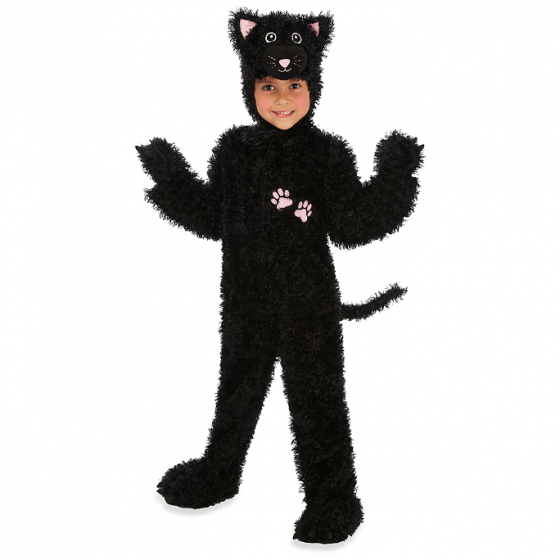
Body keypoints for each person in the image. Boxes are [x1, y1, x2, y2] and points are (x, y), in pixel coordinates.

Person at [136, 9, 423, 544]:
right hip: (245, 302)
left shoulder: (327, 153)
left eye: (295, 85)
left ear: (313, 86)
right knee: (236, 391)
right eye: (268, 85)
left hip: (309, 305)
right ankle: (220, 472)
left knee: (318, 402)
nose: (283, 98)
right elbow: (212, 217)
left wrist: (395, 174)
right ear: (250, 88)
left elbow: (354, 225)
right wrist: (172, 178)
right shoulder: (234, 150)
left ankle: (333, 498)